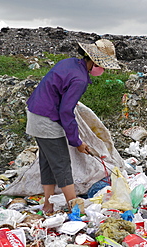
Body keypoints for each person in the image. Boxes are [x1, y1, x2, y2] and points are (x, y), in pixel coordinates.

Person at [26, 39, 120, 213]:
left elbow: (57, 91)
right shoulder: (80, 79)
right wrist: (76, 142)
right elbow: (66, 112)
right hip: (47, 120)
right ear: (93, 61)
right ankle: (75, 208)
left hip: (34, 114)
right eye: (102, 66)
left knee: (47, 162)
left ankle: (48, 205)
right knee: (61, 163)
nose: (103, 70)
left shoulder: (69, 63)